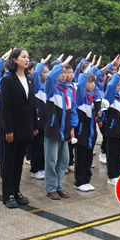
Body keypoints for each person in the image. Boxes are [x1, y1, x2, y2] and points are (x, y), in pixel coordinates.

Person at [0, 48, 37, 208]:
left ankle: (16, 191)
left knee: (18, 162)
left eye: (28, 56)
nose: (27, 59)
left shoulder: (29, 79)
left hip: (25, 127)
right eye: (23, 57)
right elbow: (5, 107)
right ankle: (8, 194)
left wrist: (34, 125)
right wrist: (8, 129)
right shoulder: (8, 80)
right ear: (14, 60)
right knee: (9, 162)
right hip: (12, 128)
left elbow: (32, 104)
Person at [44, 55, 77, 200]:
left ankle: (59, 186)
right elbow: (51, 77)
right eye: (61, 72)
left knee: (64, 160)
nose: (63, 75)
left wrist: (72, 128)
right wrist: (60, 64)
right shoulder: (51, 88)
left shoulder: (68, 90)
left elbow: (73, 110)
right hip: (53, 129)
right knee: (51, 160)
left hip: (65, 130)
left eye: (65, 73)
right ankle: (51, 188)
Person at [74, 67, 102, 191]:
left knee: (89, 157)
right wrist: (84, 73)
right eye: (90, 82)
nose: (93, 84)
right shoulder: (80, 97)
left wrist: (99, 113)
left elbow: (97, 115)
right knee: (80, 157)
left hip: (91, 132)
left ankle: (86, 179)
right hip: (81, 132)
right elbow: (80, 84)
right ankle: (79, 181)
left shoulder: (94, 97)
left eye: (93, 82)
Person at [103, 63, 120, 185]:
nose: (118, 87)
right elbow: (111, 86)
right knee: (112, 155)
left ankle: (119, 174)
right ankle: (112, 176)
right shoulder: (109, 98)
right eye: (117, 85)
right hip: (112, 131)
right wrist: (119, 73)